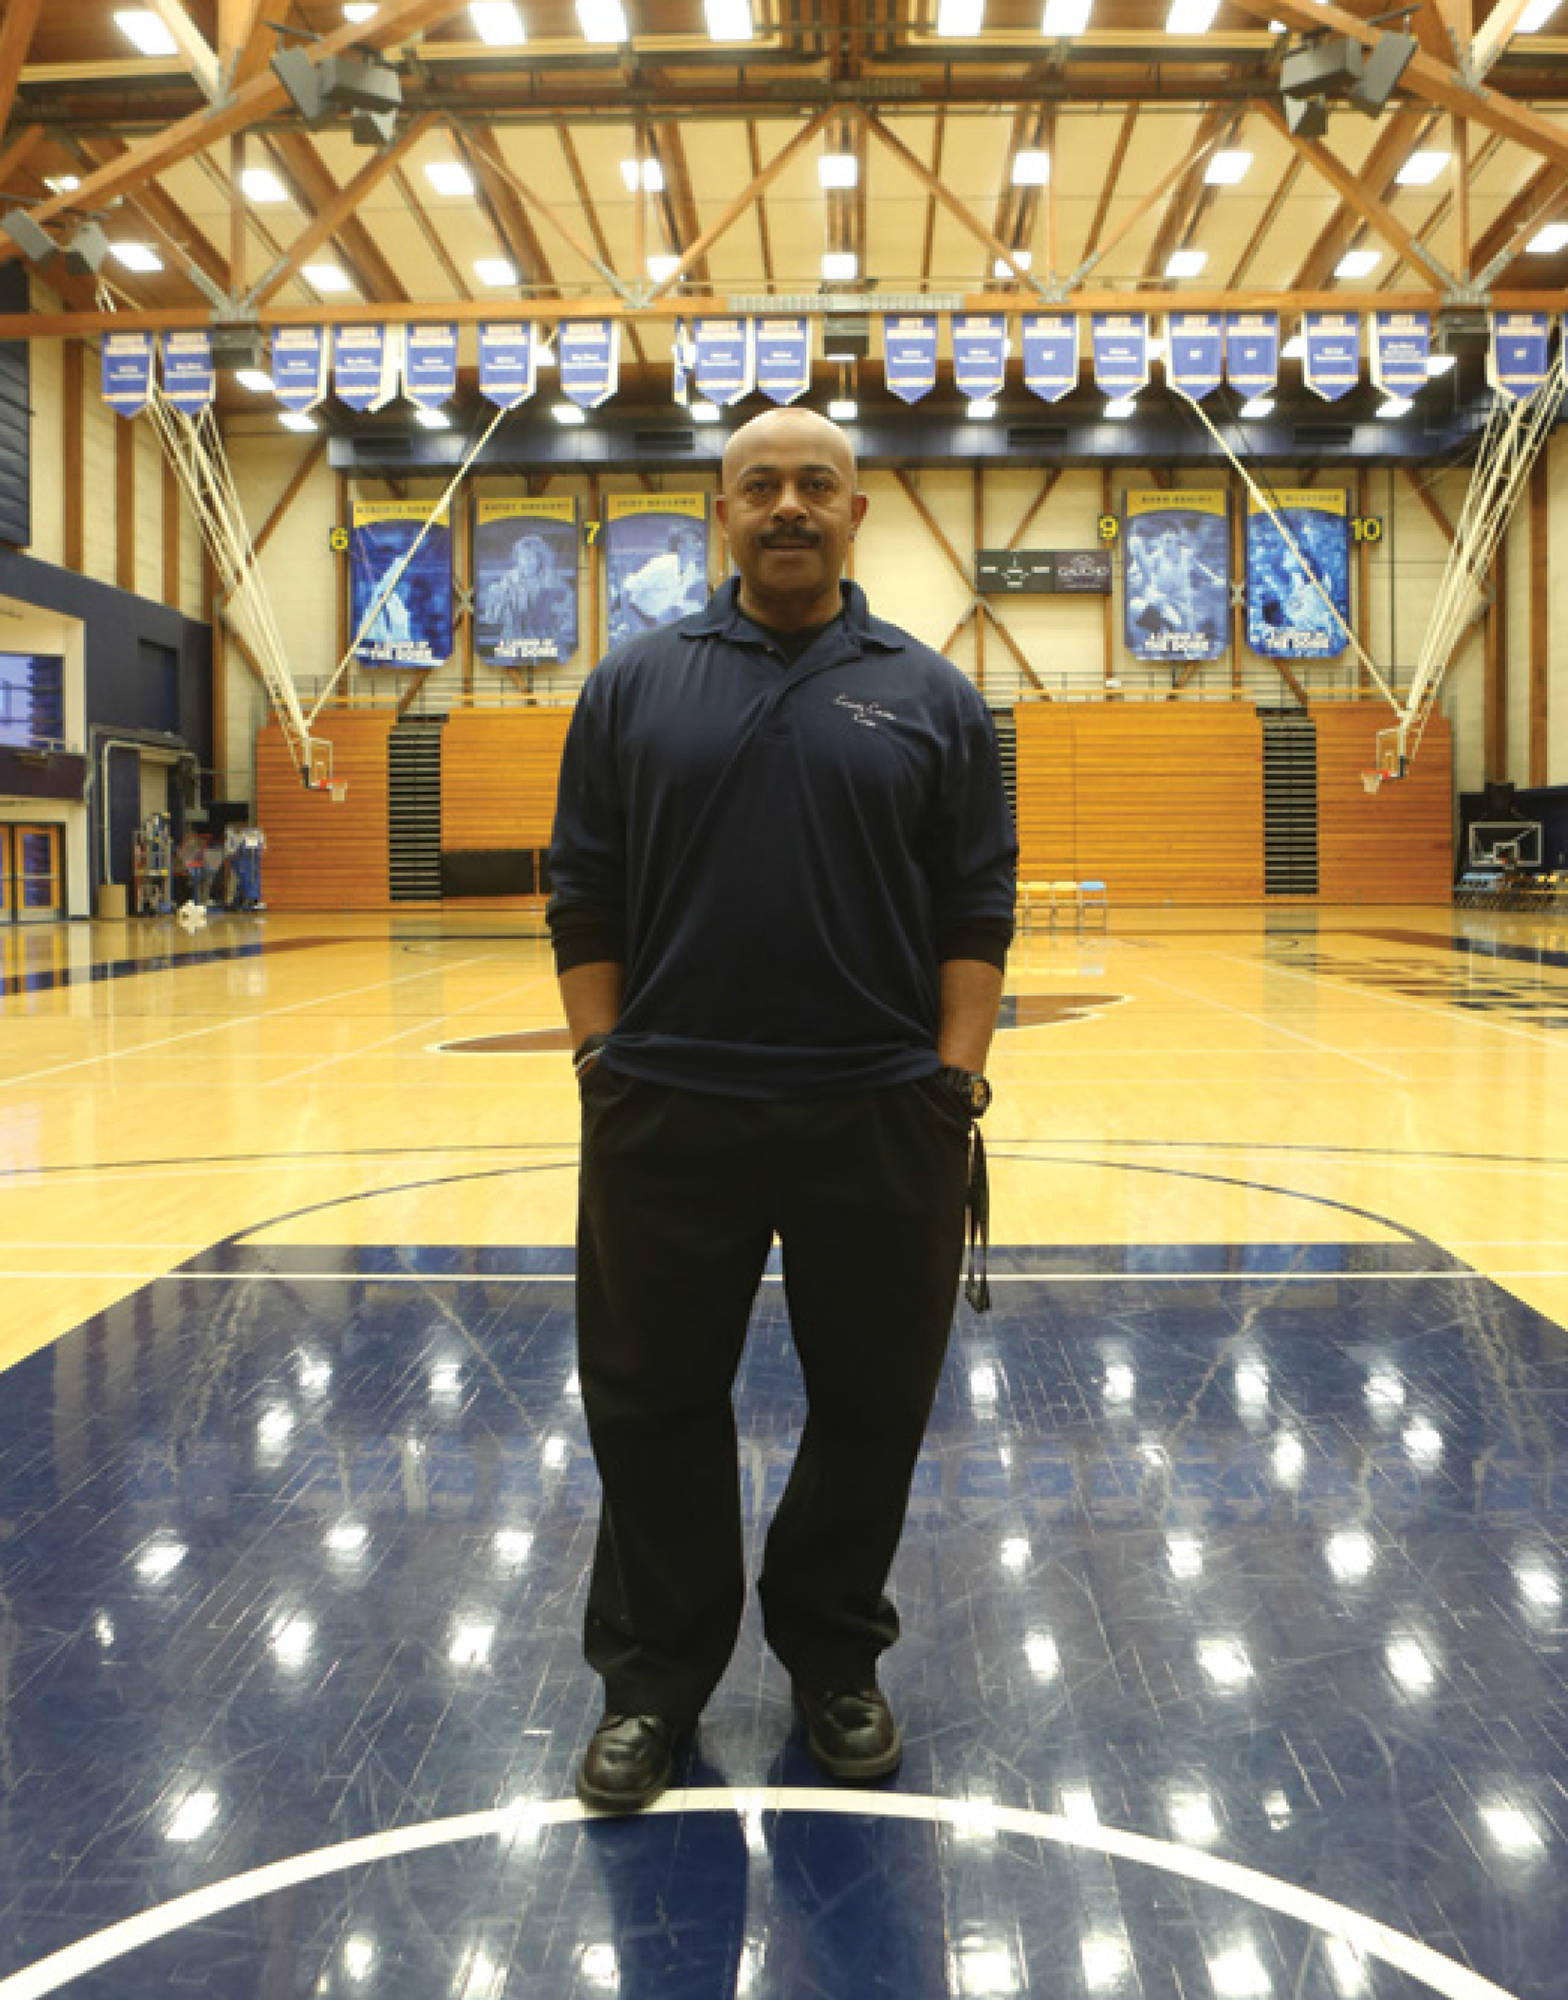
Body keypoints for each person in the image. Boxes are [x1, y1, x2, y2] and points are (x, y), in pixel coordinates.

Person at [547, 407, 1017, 1814]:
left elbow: (975, 906)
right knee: (650, 1404)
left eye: (818, 485)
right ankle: (652, 1683)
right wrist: (600, 1060)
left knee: (872, 1404)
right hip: (669, 1108)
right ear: (724, 512)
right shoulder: (632, 686)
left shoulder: (933, 696)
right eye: (762, 486)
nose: (790, 506)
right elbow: (582, 886)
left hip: (878, 1111)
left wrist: (956, 1076)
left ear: (858, 514)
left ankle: (832, 1658)